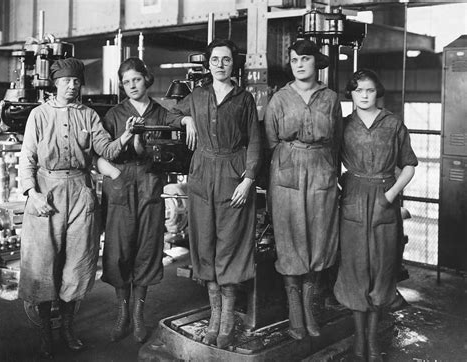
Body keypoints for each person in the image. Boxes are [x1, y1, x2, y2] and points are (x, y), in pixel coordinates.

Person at [18, 58, 139, 358]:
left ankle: (68, 329)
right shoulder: (39, 115)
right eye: (66, 81)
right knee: (43, 265)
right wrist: (31, 194)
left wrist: (125, 135)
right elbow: (27, 159)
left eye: (76, 81)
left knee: (77, 265)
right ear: (56, 83)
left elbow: (106, 150)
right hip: (46, 193)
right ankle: (46, 332)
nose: (72, 86)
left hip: (81, 193)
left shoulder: (88, 115)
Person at [167, 39, 262, 349]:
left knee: (230, 244)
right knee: (205, 242)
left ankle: (228, 319)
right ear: (208, 64)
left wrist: (248, 180)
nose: (221, 64)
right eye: (216, 59)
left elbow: (256, 142)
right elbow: (167, 116)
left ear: (234, 64)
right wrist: (187, 118)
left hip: (233, 173)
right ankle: (214, 316)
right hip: (202, 173)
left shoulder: (244, 98)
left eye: (226, 59)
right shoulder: (196, 96)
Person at [95, 57, 195, 343]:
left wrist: (186, 118)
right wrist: (113, 173)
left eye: (136, 79)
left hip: (150, 185)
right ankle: (122, 313)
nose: (131, 86)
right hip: (120, 188)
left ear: (146, 79)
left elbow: (178, 122)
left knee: (147, 251)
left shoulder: (160, 112)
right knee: (118, 251)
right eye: (126, 82)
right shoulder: (114, 115)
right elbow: (99, 154)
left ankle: (138, 316)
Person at [334, 69, 418, 361]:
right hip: (354, 197)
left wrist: (390, 195)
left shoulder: (393, 124)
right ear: (352, 94)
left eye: (370, 90)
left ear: (377, 92)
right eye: (359, 91)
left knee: (381, 271)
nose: (365, 95)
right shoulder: (344, 126)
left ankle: (372, 342)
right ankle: (359, 342)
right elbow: (328, 163)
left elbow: (408, 165)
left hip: (384, 197)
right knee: (355, 271)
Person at [264, 39, 342, 340]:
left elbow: (336, 140)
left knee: (319, 240)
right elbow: (271, 140)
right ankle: (295, 313)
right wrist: (289, 161)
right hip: (287, 174)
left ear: (316, 62)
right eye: (294, 59)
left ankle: (310, 310)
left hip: (321, 171)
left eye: (305, 58)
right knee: (290, 240)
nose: (299, 64)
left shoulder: (330, 99)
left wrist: (326, 168)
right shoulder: (279, 98)